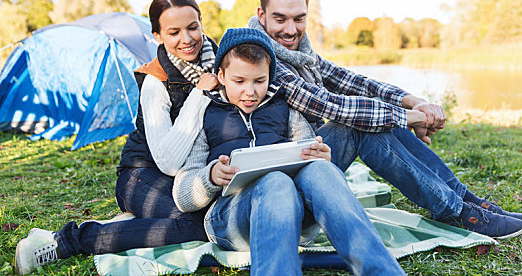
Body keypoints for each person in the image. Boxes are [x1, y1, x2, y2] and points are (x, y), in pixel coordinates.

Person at [243, 0, 522, 239]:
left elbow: (354, 81)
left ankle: (468, 203)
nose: (291, 30)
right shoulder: (259, 59)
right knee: (358, 125)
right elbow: (329, 106)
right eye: (280, 19)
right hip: (280, 193)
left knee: (378, 117)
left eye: (299, 19)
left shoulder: (301, 53)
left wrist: (414, 102)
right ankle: (457, 212)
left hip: (308, 165)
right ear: (261, 15)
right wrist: (409, 117)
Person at [15, 0, 222, 275]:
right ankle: (64, 241)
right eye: (174, 32)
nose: (187, 39)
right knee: (198, 225)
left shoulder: (220, 65)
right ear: (157, 36)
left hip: (192, 175)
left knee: (220, 217)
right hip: (142, 175)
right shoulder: (155, 82)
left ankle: (129, 225)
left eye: (192, 27)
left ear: (201, 24)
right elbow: (170, 162)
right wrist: (200, 95)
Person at [172, 27, 406, 275]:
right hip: (231, 220)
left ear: (270, 76)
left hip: (290, 217)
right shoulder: (206, 113)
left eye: (259, 81)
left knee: (321, 170)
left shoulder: (285, 109)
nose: (250, 92)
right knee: (274, 180)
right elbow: (183, 196)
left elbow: (308, 155)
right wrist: (211, 176)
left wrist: (320, 158)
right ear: (221, 75)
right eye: (239, 81)